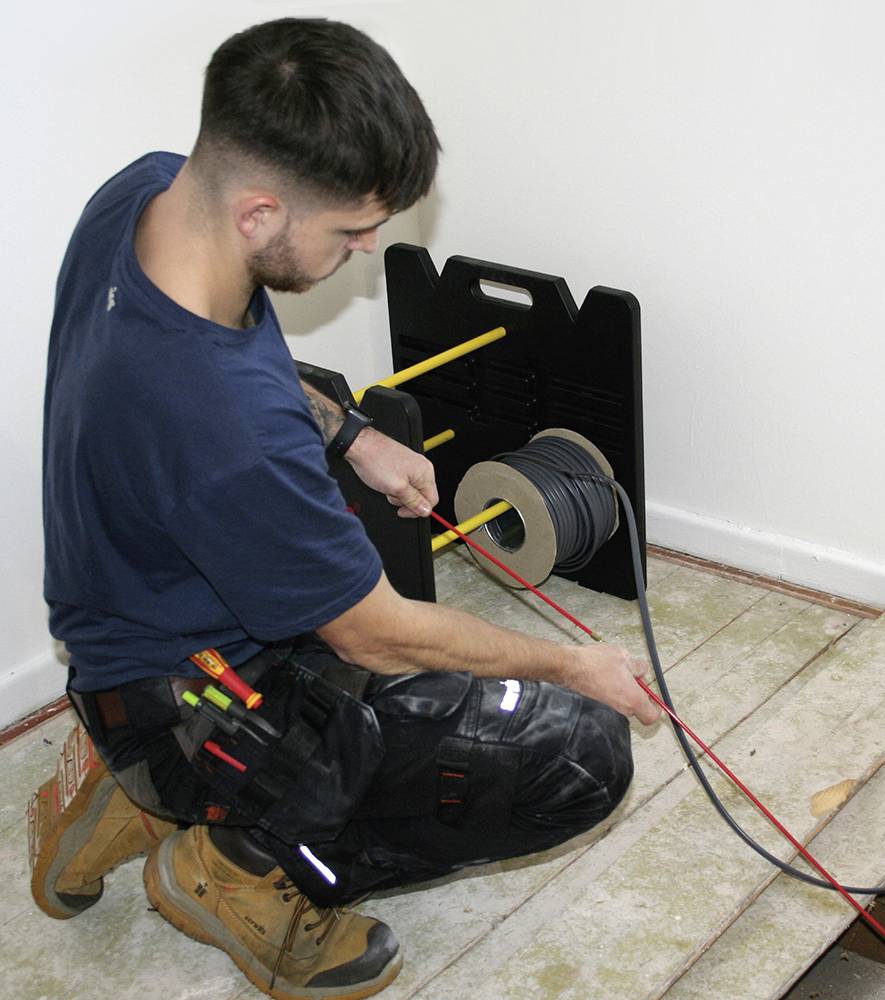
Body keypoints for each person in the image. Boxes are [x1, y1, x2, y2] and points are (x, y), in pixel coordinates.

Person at [37, 17, 660, 1000]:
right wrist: (571, 661)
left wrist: (351, 436)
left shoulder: (148, 193)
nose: (369, 251)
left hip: (128, 633)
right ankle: (232, 866)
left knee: (359, 628)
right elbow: (378, 635)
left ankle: (138, 793)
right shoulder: (227, 428)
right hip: (197, 695)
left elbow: (246, 363)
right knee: (576, 759)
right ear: (256, 212)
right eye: (352, 231)